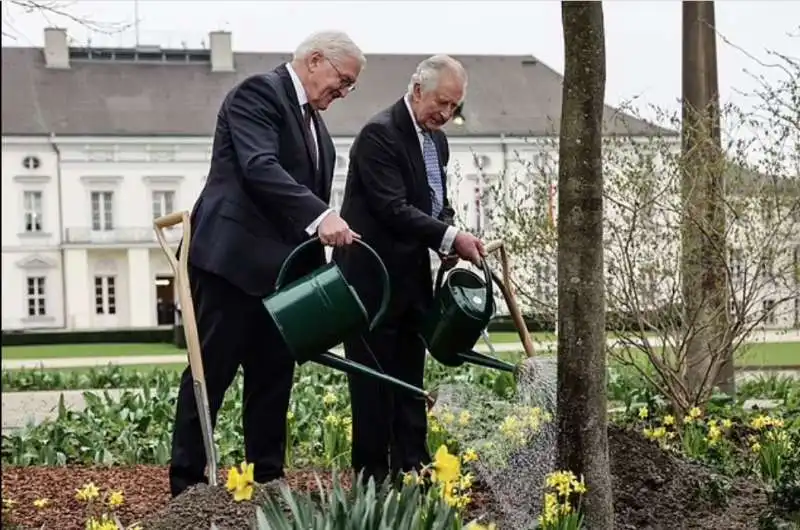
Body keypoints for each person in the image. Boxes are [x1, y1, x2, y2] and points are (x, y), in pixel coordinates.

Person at [169, 30, 365, 497]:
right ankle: (189, 487)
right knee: (209, 374)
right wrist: (322, 216)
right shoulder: (258, 94)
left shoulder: (318, 130)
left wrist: (317, 274)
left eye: (349, 87)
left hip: (282, 279)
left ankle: (268, 479)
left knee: (274, 378)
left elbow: (305, 203)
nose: (342, 92)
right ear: (315, 60)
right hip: (231, 265)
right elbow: (259, 167)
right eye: (342, 80)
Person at [333, 55, 486, 486]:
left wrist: (450, 230)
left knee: (408, 380)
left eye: (454, 107)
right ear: (417, 90)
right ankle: (372, 481)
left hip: (411, 281)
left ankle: (413, 469)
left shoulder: (437, 141)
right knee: (372, 386)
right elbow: (393, 208)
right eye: (442, 102)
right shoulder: (379, 136)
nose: (446, 114)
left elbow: (434, 201)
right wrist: (448, 237)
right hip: (370, 283)